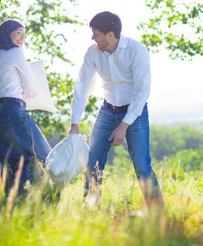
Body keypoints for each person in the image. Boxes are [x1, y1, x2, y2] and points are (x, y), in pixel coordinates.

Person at [68, 11, 162, 202]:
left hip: (135, 112)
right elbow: (82, 86)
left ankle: (157, 216)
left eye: (96, 34)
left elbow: (142, 92)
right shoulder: (92, 52)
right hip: (108, 110)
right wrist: (74, 123)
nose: (93, 38)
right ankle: (91, 210)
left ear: (110, 35)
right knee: (92, 162)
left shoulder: (137, 51)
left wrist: (124, 125)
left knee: (142, 165)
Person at [0, 19, 52, 198]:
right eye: (18, 33)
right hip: (15, 110)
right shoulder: (16, 53)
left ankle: (10, 201)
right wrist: (29, 92)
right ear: (6, 33)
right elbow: (31, 83)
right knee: (36, 155)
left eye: (24, 35)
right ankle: (27, 200)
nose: (21, 38)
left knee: (8, 160)